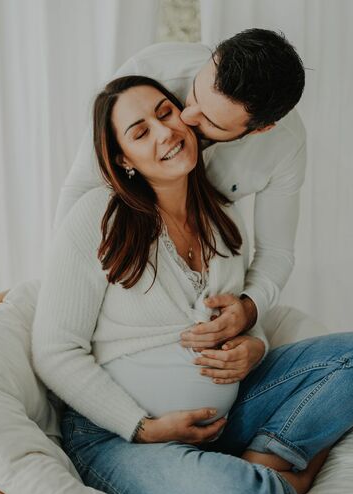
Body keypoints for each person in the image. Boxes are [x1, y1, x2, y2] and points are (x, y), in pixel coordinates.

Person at [33, 76, 353, 494]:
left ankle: (268, 456)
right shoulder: (98, 216)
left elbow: (231, 321)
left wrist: (254, 346)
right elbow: (54, 350)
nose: (163, 132)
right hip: (121, 438)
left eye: (165, 113)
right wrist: (142, 427)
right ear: (123, 159)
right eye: (140, 132)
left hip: (226, 414)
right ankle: (285, 479)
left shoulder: (218, 220)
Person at [54, 28, 307, 361]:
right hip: (133, 253)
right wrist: (61, 287)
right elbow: (83, 185)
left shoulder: (285, 148)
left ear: (260, 129)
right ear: (213, 56)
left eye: (210, 122)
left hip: (208, 259)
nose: (187, 117)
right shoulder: (150, 69)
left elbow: (276, 251)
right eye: (194, 96)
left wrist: (249, 311)